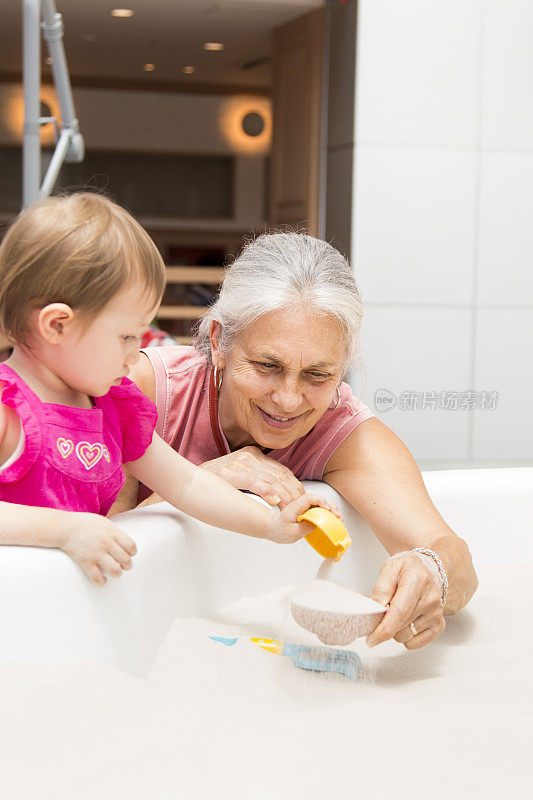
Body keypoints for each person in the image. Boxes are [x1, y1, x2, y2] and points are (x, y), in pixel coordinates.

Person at [116, 232, 479, 651]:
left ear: (344, 366)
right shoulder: (138, 393)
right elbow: (92, 554)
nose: (288, 399)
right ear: (218, 342)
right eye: (267, 366)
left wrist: (431, 573)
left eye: (318, 375)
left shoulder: (345, 433)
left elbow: (456, 558)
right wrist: (205, 477)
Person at [0, 194, 337, 586]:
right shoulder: (9, 409)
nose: (135, 353)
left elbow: (188, 484)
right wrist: (63, 530)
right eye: (126, 336)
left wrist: (270, 526)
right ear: (57, 325)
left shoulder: (114, 407)